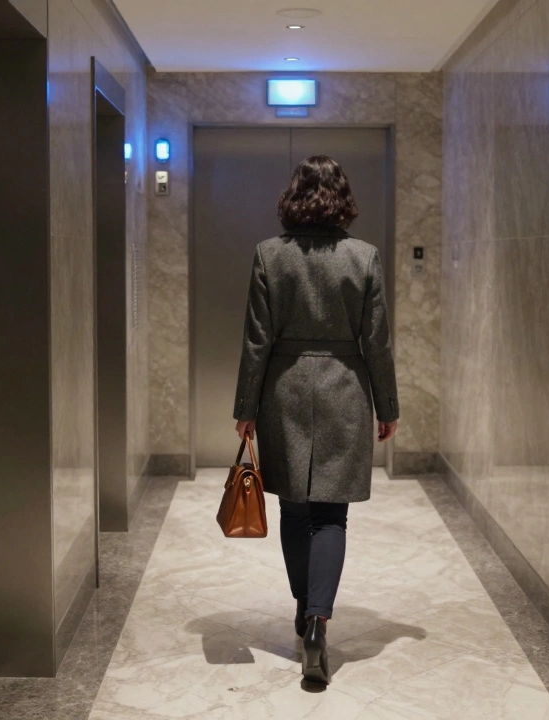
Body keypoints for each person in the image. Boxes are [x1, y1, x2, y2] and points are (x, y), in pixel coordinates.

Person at [231, 155, 400, 686]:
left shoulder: (269, 256)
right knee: (332, 517)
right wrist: (388, 408)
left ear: (294, 197)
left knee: (295, 511)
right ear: (343, 198)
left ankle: (306, 611)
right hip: (346, 391)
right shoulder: (364, 258)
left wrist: (245, 408)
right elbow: (377, 343)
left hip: (283, 392)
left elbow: (257, 341)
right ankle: (317, 625)